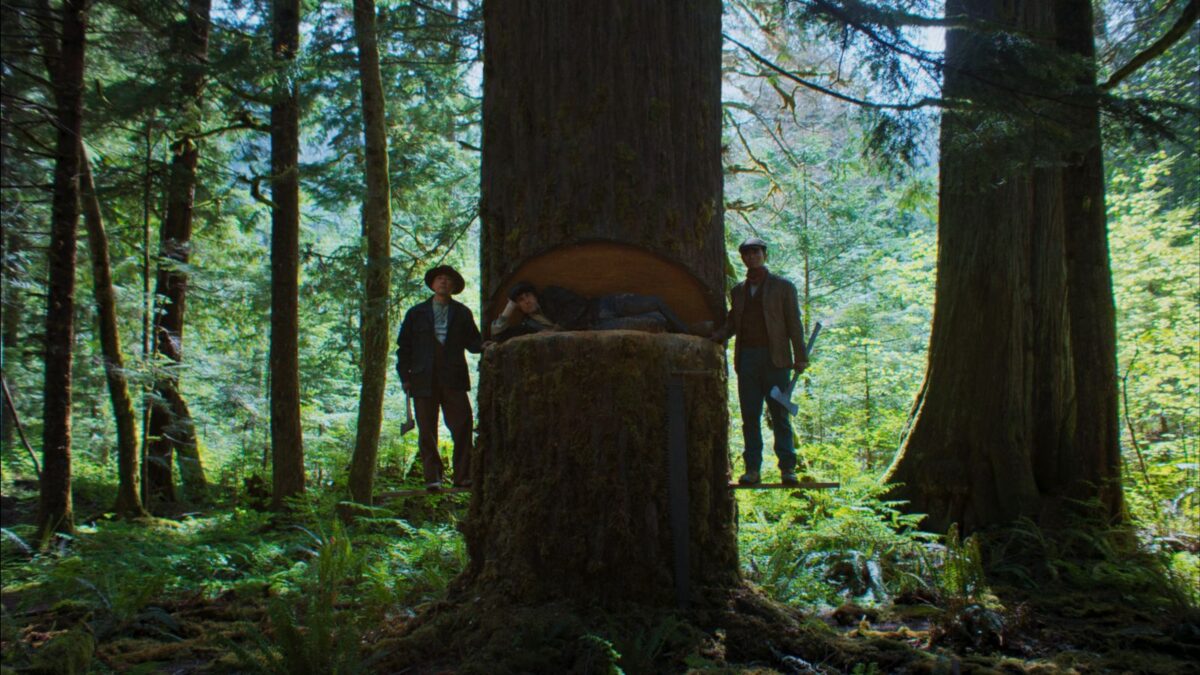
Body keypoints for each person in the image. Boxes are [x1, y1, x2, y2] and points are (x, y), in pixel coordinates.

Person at [711, 237, 808, 485]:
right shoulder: (738, 291)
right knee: (750, 416)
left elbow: (794, 323)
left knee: (780, 414)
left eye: (756, 252)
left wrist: (800, 356)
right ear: (743, 258)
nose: (751, 257)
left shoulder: (783, 287)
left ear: (764, 255)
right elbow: (733, 323)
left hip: (777, 360)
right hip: (747, 361)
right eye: (747, 253)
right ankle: (752, 469)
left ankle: (788, 468)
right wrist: (715, 337)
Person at [396, 264, 483, 489]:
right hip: (422, 380)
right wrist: (404, 377)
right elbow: (404, 347)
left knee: (463, 425)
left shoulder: (462, 313)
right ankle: (433, 478)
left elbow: (474, 342)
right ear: (433, 284)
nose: (443, 282)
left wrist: (490, 343)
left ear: (453, 286)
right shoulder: (416, 313)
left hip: (454, 378)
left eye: (448, 279)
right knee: (427, 430)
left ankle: (463, 476)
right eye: (439, 278)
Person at [489, 281, 697, 341]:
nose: (526, 302)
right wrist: (509, 307)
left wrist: (559, 328)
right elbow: (498, 334)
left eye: (528, 296)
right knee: (654, 322)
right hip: (598, 326)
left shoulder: (551, 294)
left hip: (604, 305)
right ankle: (692, 327)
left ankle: (689, 331)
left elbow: (577, 305)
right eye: (520, 301)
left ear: (534, 295)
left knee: (654, 302)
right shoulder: (529, 324)